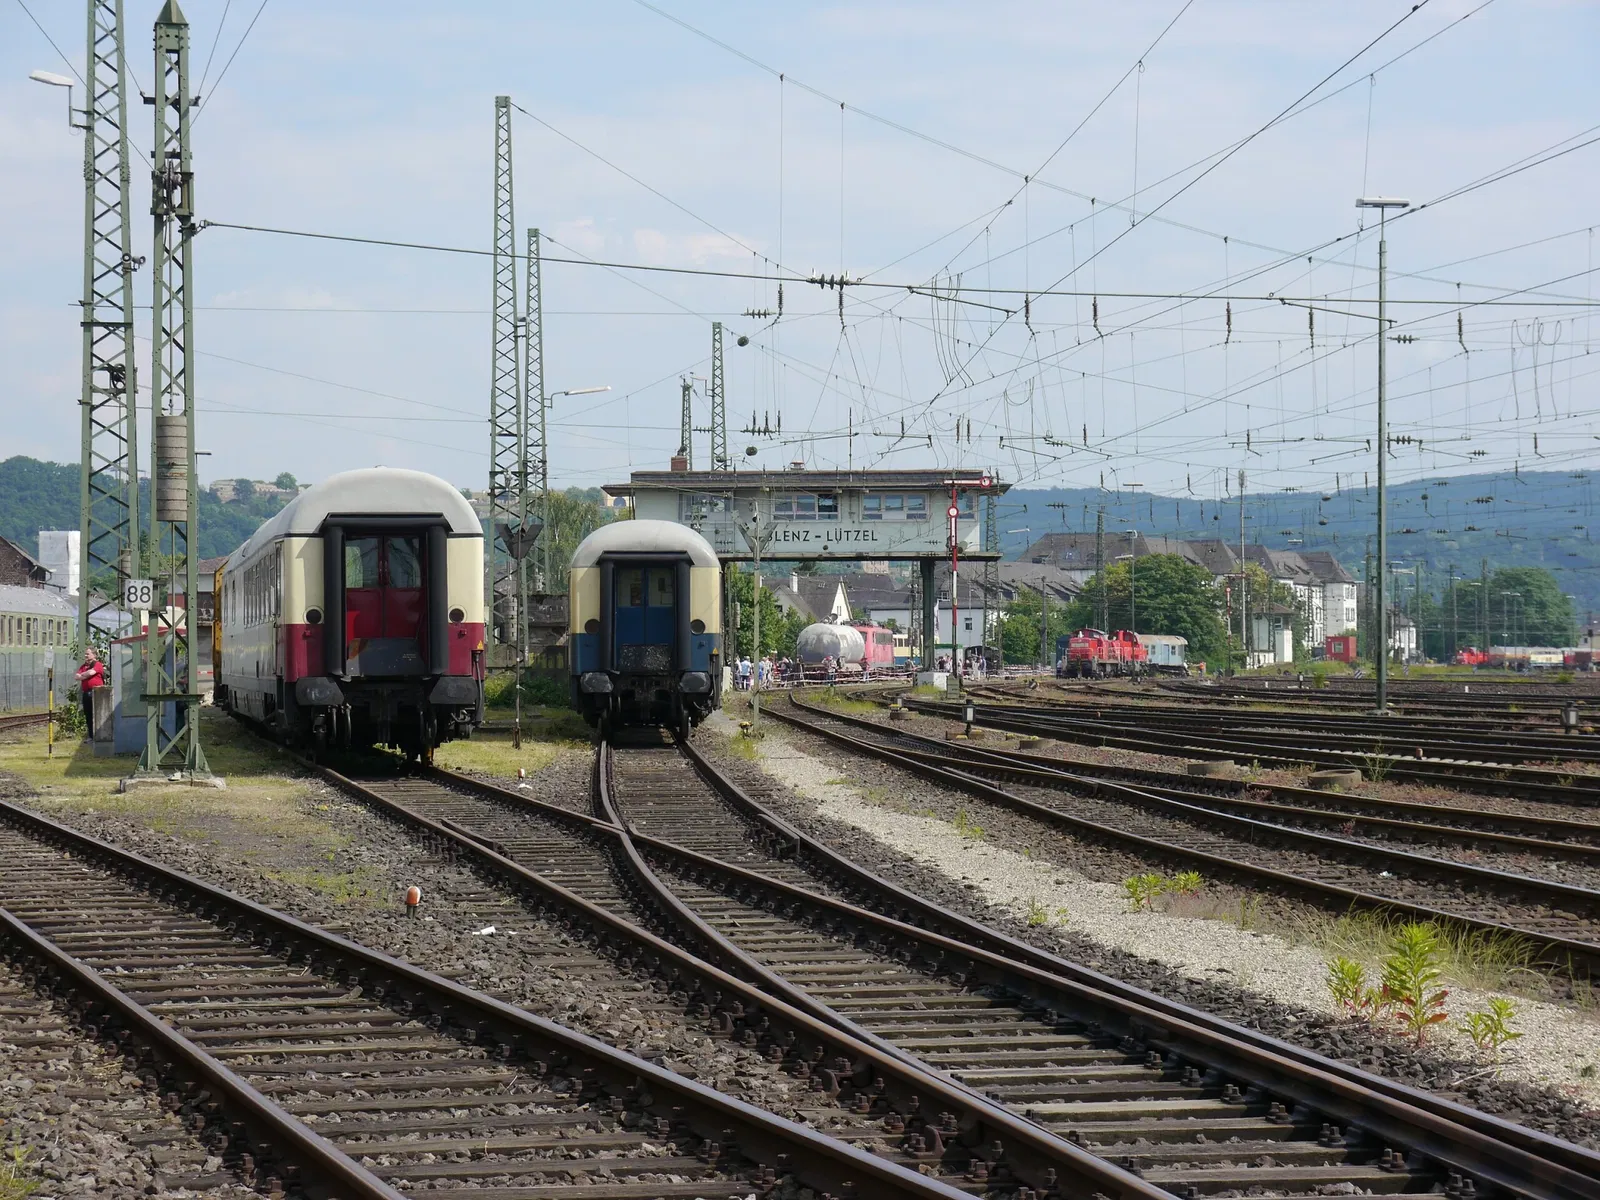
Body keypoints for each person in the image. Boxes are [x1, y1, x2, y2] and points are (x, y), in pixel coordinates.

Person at [75, 650, 106, 732]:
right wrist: (86, 674)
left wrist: (83, 675)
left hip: (96, 693)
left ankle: (98, 733)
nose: (85, 655)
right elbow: (77, 677)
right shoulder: (83, 666)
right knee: (88, 715)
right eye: (85, 654)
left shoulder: (98, 664)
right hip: (86, 693)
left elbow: (92, 673)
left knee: (97, 714)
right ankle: (91, 735)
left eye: (88, 654)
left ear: (94, 655)